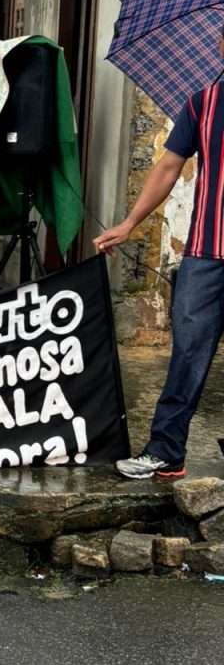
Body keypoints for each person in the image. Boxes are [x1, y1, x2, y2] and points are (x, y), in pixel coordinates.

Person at [93, 39, 224, 479]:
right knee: (188, 354)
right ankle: (167, 450)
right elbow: (169, 166)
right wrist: (130, 222)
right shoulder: (203, 102)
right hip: (206, 250)